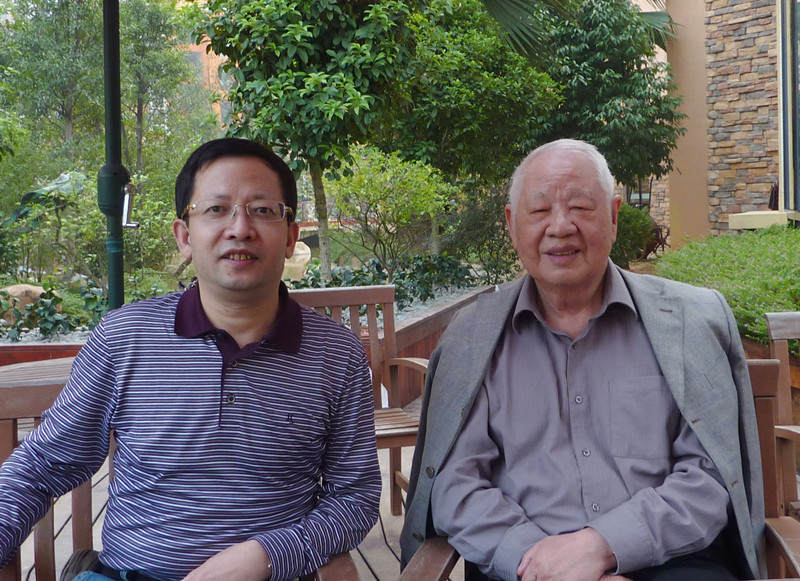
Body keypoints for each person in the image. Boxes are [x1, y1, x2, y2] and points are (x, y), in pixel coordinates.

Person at [0, 138, 381, 581]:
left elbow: (355, 497)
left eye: (262, 210)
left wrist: (267, 556)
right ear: (184, 236)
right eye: (216, 209)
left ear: (291, 236)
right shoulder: (125, 337)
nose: (240, 228)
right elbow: (42, 466)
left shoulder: (337, 354)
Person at [400, 139, 763, 581]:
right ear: (512, 225)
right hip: (523, 565)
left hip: (670, 561)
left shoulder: (691, 323)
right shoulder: (470, 338)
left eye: (580, 207)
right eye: (539, 210)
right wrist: (541, 562)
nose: (560, 226)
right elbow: (455, 487)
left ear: (613, 217)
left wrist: (602, 547)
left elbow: (709, 476)